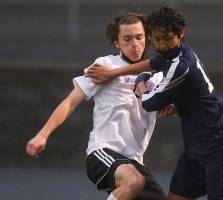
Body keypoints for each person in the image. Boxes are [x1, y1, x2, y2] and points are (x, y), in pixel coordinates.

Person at [85, 7, 223, 200]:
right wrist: (113, 73)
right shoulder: (175, 54)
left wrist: (140, 83)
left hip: (221, 149)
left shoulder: (181, 66)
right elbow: (154, 62)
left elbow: (149, 102)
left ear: (181, 34)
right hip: (194, 150)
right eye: (157, 39)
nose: (162, 45)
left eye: (167, 38)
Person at [26, 12, 169, 200]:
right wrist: (42, 135)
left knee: (141, 184)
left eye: (139, 37)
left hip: (134, 160)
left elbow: (167, 106)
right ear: (117, 42)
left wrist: (170, 109)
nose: (134, 44)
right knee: (133, 182)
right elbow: (70, 101)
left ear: (147, 38)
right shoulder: (106, 65)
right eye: (127, 39)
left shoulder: (157, 75)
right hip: (103, 151)